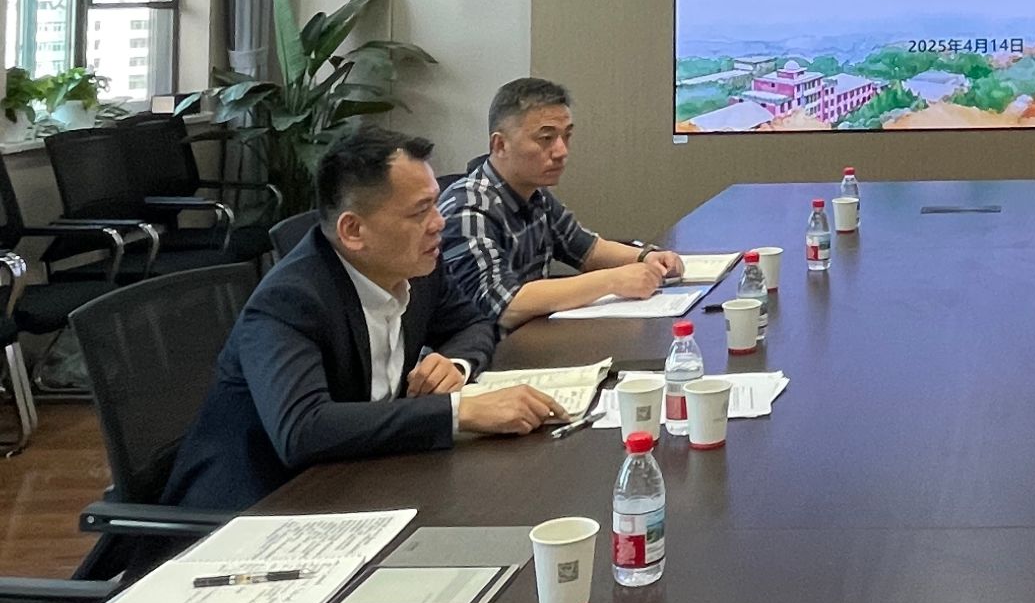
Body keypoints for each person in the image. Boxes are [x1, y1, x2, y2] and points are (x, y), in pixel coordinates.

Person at [160, 126, 563, 512]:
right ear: (353, 231)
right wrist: (460, 411)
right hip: (257, 508)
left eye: (435, 204)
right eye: (420, 211)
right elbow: (303, 429)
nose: (439, 222)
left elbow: (473, 324)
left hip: (363, 477)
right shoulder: (289, 300)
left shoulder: (417, 268)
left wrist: (455, 364)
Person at [439, 78, 686, 328]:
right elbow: (504, 305)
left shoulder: (535, 194)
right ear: (500, 145)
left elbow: (586, 249)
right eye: (546, 138)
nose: (561, 151)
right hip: (486, 348)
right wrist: (612, 281)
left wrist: (646, 256)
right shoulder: (468, 209)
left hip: (531, 336)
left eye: (566, 136)